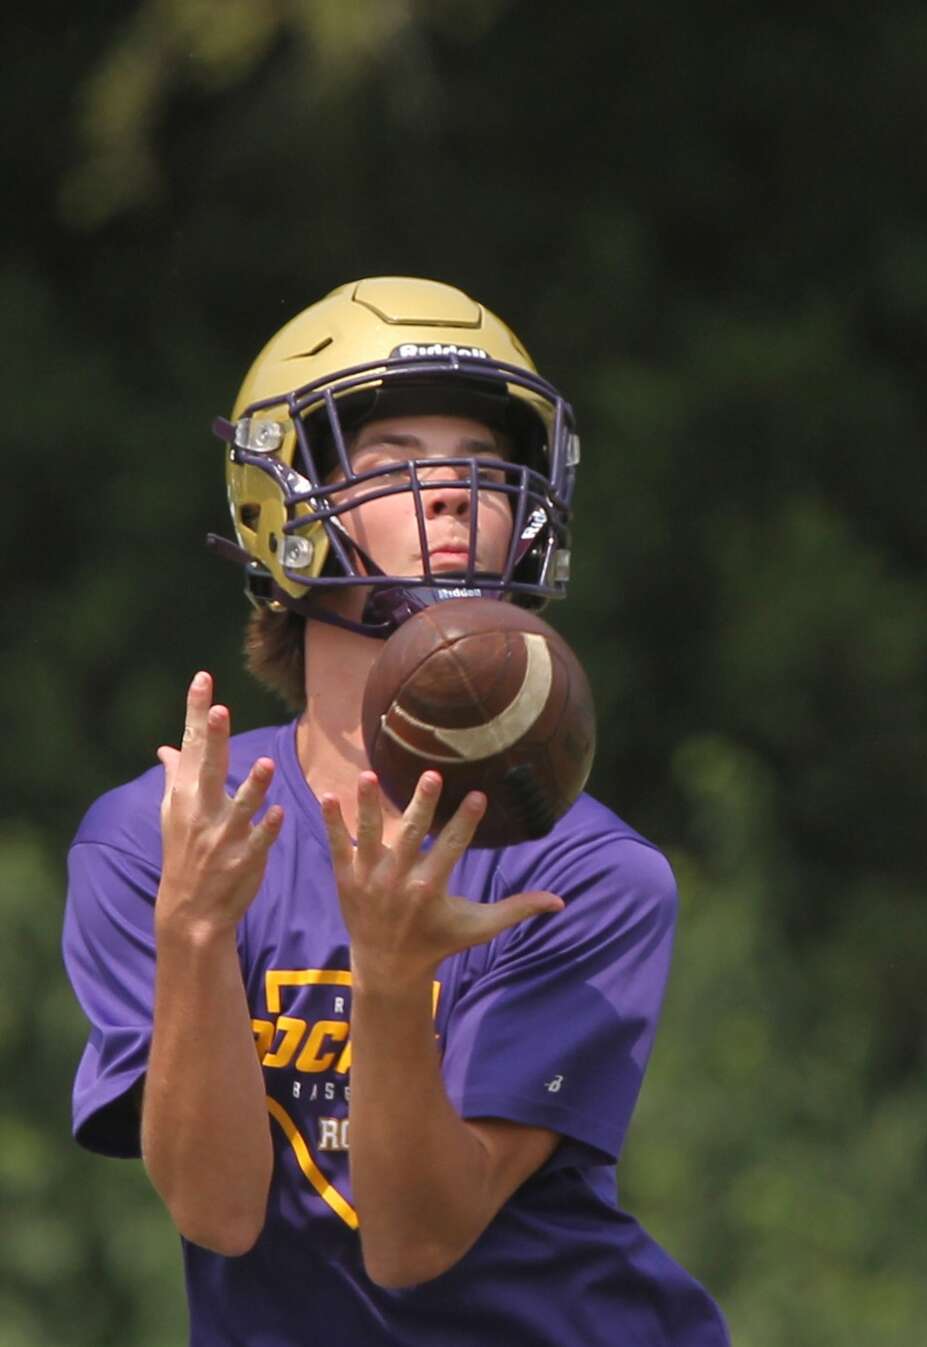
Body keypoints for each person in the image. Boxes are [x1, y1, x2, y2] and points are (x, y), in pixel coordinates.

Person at [63, 277, 731, 1346]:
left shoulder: (591, 875)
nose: (457, 490)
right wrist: (193, 929)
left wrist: (389, 980)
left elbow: (415, 1242)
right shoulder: (154, 840)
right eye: (393, 461)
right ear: (280, 506)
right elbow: (219, 1213)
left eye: (488, 462)